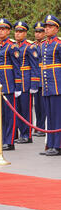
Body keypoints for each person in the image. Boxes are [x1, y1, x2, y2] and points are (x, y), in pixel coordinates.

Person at [0, 18, 22, 151]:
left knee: (9, 115)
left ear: (8, 31)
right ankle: (2, 139)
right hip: (0, 86)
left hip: (9, 86)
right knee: (1, 114)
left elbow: (17, 67)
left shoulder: (12, 46)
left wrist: (18, 87)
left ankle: (9, 141)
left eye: (4, 29)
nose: (1, 31)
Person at [13, 21, 40, 144]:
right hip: (16, 83)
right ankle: (20, 133)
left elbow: (35, 67)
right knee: (17, 110)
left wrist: (34, 84)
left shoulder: (30, 47)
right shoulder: (13, 47)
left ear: (25, 33)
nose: (18, 34)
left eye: (20, 32)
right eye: (16, 32)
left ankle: (27, 135)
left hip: (26, 83)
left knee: (25, 110)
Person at [39, 15, 61, 156]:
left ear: (56, 29)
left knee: (57, 116)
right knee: (50, 116)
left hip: (57, 85)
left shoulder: (59, 44)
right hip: (47, 85)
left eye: (49, 27)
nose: (46, 29)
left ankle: (57, 145)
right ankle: (51, 144)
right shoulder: (44, 45)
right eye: (45, 27)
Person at [32, 21, 47, 137]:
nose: (38, 34)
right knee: (37, 106)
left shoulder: (46, 45)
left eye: (40, 31)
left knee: (44, 106)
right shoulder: (33, 45)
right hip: (35, 79)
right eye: (36, 32)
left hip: (45, 78)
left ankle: (43, 127)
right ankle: (38, 126)